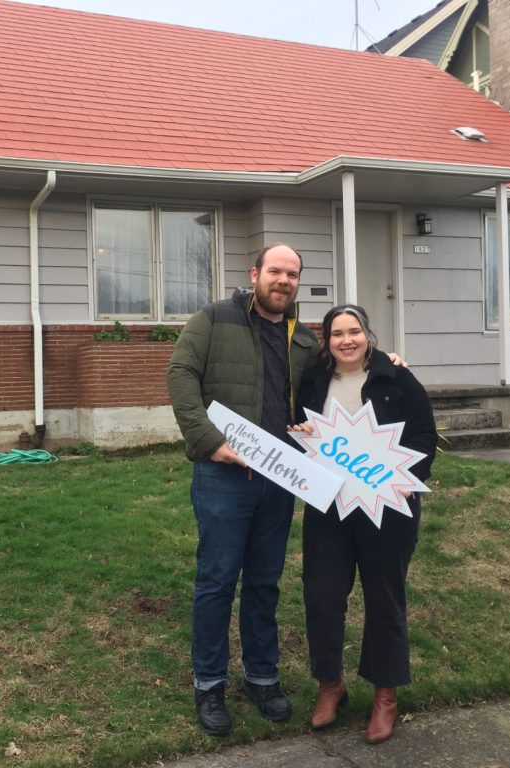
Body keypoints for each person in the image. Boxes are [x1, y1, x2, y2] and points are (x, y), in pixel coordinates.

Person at [166, 243, 319, 736]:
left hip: (282, 478)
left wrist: (387, 362)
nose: (283, 281)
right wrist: (209, 443)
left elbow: (343, 376)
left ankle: (262, 677)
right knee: (216, 582)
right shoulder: (213, 319)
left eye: (292, 274)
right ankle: (209, 684)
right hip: (224, 479)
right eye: (275, 271)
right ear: (254, 274)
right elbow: (180, 375)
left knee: (264, 582)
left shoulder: (305, 341)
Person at [293, 304, 437, 743]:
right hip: (329, 507)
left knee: (383, 598)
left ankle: (385, 695)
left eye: (354, 331)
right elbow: (302, 432)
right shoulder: (314, 381)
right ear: (327, 341)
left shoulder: (397, 378)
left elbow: (423, 436)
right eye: (337, 334)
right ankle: (330, 685)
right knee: (322, 594)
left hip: (387, 507)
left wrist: (412, 479)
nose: (347, 340)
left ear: (368, 335)